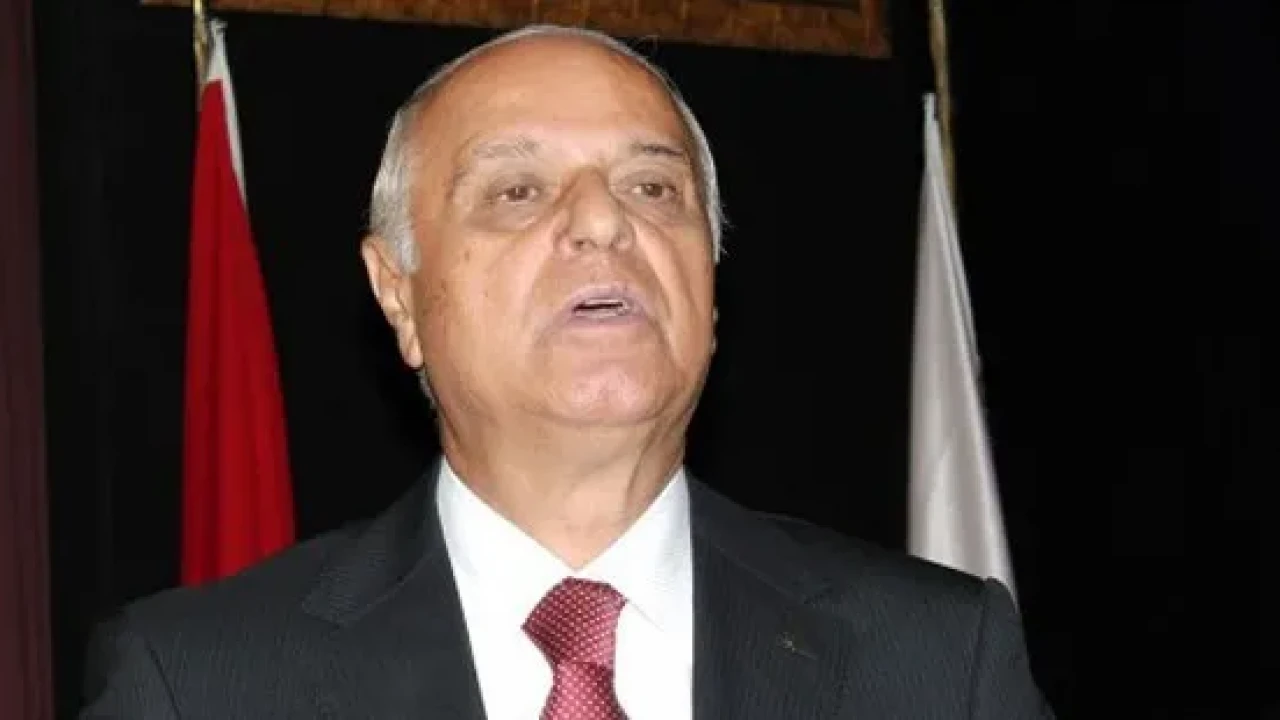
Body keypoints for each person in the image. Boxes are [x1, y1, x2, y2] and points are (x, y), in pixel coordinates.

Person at [80, 23, 1054, 719]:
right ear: (398, 294)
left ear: (710, 284)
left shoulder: (936, 663)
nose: (602, 221)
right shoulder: (198, 685)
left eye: (652, 186)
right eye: (517, 190)